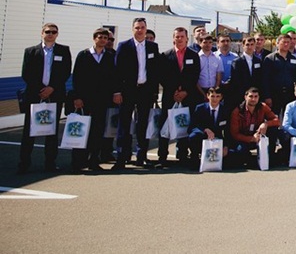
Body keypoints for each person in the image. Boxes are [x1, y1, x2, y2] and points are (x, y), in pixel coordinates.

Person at [18, 23, 72, 174]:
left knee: (51, 132)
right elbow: (26, 73)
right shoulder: (31, 51)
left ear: (57, 34)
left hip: (55, 95)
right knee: (29, 131)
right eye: (48, 32)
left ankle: (50, 163)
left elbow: (65, 72)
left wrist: (51, 88)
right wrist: (41, 90)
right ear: (42, 33)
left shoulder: (63, 50)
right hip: (35, 96)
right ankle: (24, 163)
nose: (50, 34)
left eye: (54, 32)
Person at [113, 17, 161, 170]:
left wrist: (154, 92)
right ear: (132, 29)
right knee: (124, 124)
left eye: (142, 27)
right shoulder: (124, 46)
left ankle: (142, 157)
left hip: (145, 91)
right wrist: (117, 91)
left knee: (143, 124)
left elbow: (155, 71)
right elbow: (117, 71)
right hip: (127, 91)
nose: (140, 30)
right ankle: (122, 158)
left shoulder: (153, 47)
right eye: (137, 28)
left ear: (146, 29)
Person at [69, 27, 117, 173]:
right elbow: (76, 77)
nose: (103, 40)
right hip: (85, 99)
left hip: (102, 100)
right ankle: (78, 162)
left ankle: (94, 161)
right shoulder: (84, 55)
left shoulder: (109, 56)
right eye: (100, 37)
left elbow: (113, 78)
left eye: (105, 38)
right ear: (94, 38)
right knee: (82, 130)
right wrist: (77, 97)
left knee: (97, 131)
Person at [157, 27, 201, 168]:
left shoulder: (194, 55)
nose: (179, 39)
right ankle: (162, 156)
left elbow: (195, 75)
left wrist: (185, 91)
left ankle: (182, 155)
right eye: (177, 36)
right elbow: (162, 76)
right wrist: (174, 91)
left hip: (188, 97)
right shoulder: (165, 56)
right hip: (170, 96)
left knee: (184, 126)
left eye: (182, 36)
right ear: (173, 38)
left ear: (187, 38)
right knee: (165, 127)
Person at [228, 87, 280, 168]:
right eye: (251, 96)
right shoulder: (237, 112)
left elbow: (277, 121)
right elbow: (235, 134)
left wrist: (265, 124)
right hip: (244, 139)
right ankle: (250, 160)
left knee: (273, 129)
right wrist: (251, 139)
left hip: (259, 136)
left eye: (256, 97)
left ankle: (269, 157)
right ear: (245, 97)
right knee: (240, 152)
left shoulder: (263, 107)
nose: (253, 99)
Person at [187, 87, 229, 168]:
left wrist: (226, 146)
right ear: (207, 96)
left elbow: (227, 130)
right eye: (212, 96)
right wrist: (205, 129)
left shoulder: (225, 110)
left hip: (217, 138)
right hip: (203, 135)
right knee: (193, 136)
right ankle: (195, 157)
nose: (215, 99)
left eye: (217, 96)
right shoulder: (200, 108)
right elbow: (192, 126)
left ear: (221, 97)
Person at [262, 33, 296, 118]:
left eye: (288, 42)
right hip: (274, 95)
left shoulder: (294, 59)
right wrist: (267, 96)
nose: (286, 44)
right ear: (277, 43)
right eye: (284, 42)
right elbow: (265, 79)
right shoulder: (269, 59)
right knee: (274, 118)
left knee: (290, 118)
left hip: (290, 95)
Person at [197, 34, 223, 101]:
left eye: (210, 42)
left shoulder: (217, 58)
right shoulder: (196, 58)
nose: (208, 45)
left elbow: (219, 76)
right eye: (205, 42)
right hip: (199, 90)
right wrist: (202, 94)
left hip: (213, 90)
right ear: (200, 43)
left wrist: (214, 91)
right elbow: (195, 78)